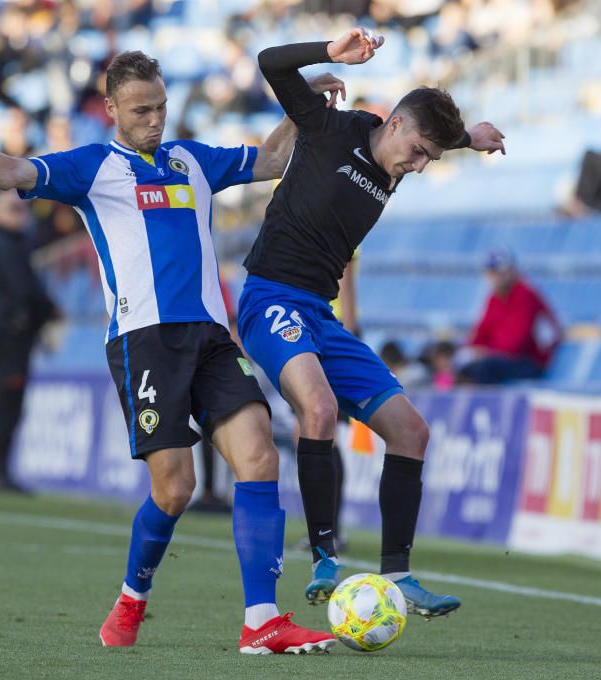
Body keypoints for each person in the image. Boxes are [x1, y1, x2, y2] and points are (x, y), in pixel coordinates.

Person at [0, 50, 347, 654]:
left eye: (160, 107)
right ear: (111, 109)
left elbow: (269, 160)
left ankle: (262, 621)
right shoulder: (92, 167)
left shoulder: (191, 159)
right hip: (145, 342)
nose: (154, 120)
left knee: (260, 457)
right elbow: (10, 172)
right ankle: (132, 600)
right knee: (174, 489)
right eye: (141, 110)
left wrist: (301, 107)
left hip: (212, 336)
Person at [236, 28, 505, 617]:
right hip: (269, 299)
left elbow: (428, 128)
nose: (418, 165)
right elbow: (268, 63)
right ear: (395, 125)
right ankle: (325, 558)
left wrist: (469, 138)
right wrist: (326, 54)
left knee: (412, 432)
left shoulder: (404, 151)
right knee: (321, 410)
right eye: (418, 152)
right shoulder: (330, 126)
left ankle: (399, 576)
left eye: (430, 159)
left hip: (321, 316)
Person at [0, 191, 59, 494]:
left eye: (20, 208)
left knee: (8, 402)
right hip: (10, 335)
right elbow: (25, 291)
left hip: (11, 334)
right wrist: (50, 310)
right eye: (12, 209)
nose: (20, 214)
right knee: (7, 402)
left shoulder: (11, 243)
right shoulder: (5, 245)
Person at [459, 249, 562, 384]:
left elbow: (517, 342)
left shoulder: (525, 294)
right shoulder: (495, 297)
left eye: (500, 272)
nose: (496, 278)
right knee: (457, 366)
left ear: (512, 271)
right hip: (505, 358)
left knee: (485, 368)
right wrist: (469, 350)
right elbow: (482, 331)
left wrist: (484, 352)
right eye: (492, 273)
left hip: (531, 362)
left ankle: (487, 404)